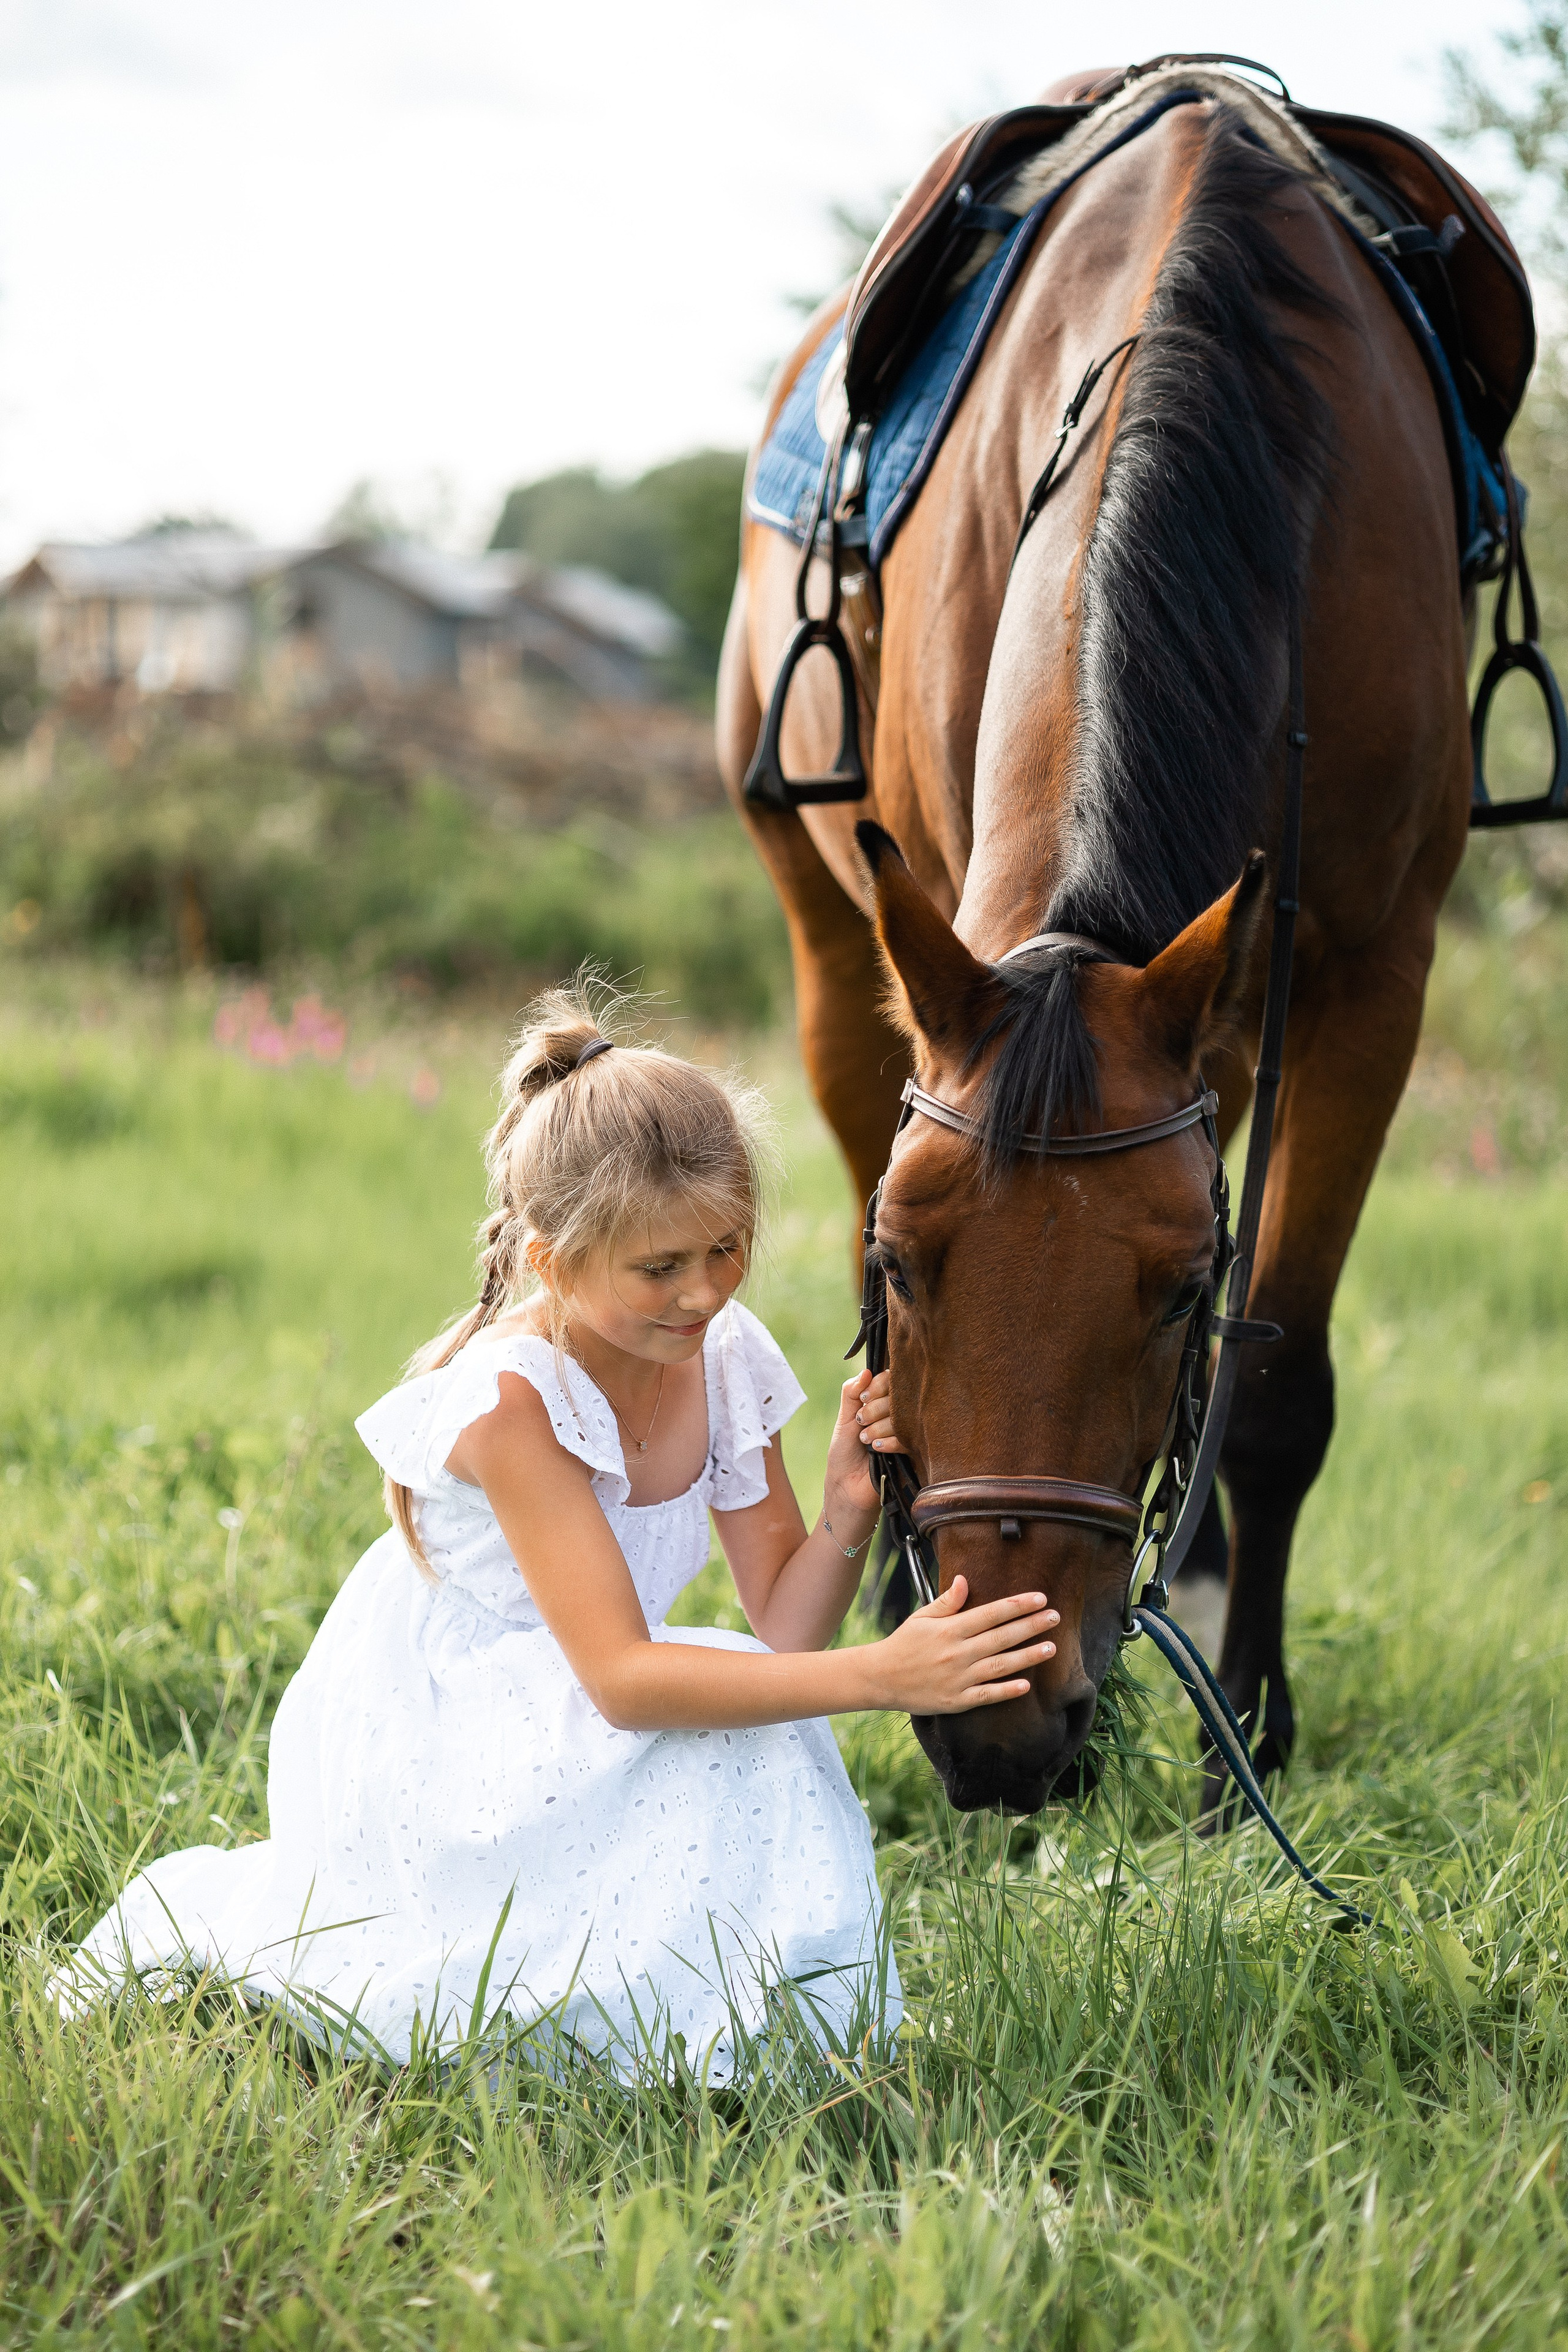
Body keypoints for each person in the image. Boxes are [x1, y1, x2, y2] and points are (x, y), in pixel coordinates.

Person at [64, 984, 1059, 2076]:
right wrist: (885, 1674)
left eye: (726, 1249)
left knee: (745, 1701)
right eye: (660, 1268)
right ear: (550, 1261)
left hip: (588, 1700)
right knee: (718, 1709)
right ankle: (666, 2026)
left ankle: (764, 2032)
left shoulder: (722, 1355)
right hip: (451, 1726)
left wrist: (845, 1514)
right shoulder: (514, 1405)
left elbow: (781, 1632)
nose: (702, 1293)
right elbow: (627, 1682)